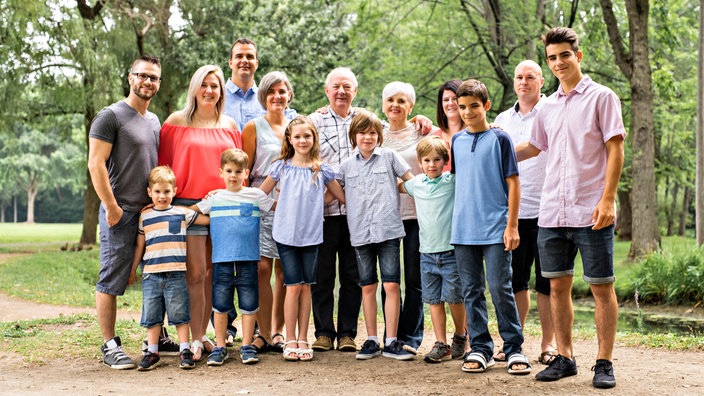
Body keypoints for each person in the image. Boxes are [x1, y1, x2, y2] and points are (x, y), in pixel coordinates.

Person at [516, 27, 625, 389]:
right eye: (552, 57)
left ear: (578, 56)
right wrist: (489, 146)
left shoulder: (602, 97)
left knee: (601, 288)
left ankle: (604, 362)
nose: (559, 62)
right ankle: (565, 357)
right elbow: (534, 148)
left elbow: (615, 149)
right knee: (557, 288)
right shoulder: (546, 106)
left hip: (590, 211)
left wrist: (608, 198)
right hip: (551, 213)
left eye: (565, 55)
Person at [158, 64, 241, 361]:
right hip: (187, 206)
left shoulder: (230, 125)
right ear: (195, 87)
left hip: (222, 206)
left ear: (221, 91)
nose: (209, 90)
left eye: (215, 85)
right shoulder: (176, 122)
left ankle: (204, 334)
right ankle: (193, 338)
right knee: (193, 273)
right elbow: (163, 167)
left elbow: (238, 167)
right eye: (204, 84)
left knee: (212, 273)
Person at [452, 79, 531, 375]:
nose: (468, 111)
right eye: (462, 107)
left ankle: (513, 348)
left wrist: (512, 226)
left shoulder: (501, 139)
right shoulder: (457, 141)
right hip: (463, 230)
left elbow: (513, 182)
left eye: (474, 106)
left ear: (486, 106)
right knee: (471, 290)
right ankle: (481, 348)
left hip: (497, 227)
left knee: (500, 287)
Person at [88, 55, 162, 370]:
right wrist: (111, 207)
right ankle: (109, 344)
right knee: (112, 279)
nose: (148, 82)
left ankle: (155, 339)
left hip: (148, 213)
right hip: (119, 214)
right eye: (143, 76)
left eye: (154, 78)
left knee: (157, 277)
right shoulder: (111, 116)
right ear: (130, 78)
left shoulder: (155, 121)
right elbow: (95, 163)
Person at [259, 116, 346, 361]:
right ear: (289, 139)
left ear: (313, 138)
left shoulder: (321, 168)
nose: (302, 140)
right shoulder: (281, 167)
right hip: (286, 234)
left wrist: (317, 204)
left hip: (312, 235)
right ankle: (289, 339)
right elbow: (260, 194)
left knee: (307, 286)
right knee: (293, 286)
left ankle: (303, 337)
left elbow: (339, 196)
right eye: (297, 136)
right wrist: (279, 205)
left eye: (307, 136)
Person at [337, 109, 415, 361]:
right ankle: (371, 340)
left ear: (379, 136)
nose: (367, 137)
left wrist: (421, 190)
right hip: (360, 233)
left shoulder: (390, 157)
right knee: (368, 286)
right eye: (362, 133)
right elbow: (332, 191)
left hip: (389, 231)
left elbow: (409, 180)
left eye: (372, 133)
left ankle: (391, 340)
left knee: (392, 284)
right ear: (354, 136)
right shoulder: (346, 166)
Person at [493, 60, 556, 365]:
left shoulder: (552, 111)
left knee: (547, 281)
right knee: (516, 280)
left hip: (548, 211)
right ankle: (513, 342)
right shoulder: (502, 118)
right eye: (519, 77)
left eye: (530, 77)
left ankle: (548, 344)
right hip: (514, 213)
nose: (523, 82)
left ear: (541, 81)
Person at [192, 149, 275, 366]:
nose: (233, 175)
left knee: (249, 303)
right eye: (228, 171)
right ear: (220, 172)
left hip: (248, 259)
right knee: (220, 304)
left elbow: (279, 207)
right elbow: (191, 212)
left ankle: (247, 345)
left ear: (246, 173)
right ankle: (220, 346)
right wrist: (162, 209)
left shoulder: (255, 195)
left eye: (238, 171)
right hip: (221, 259)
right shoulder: (215, 198)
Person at [128, 166, 210, 371]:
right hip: (151, 275)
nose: (162, 196)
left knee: (180, 313)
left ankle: (184, 350)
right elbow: (140, 245)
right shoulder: (144, 217)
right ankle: (152, 352)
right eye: (157, 192)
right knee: (152, 316)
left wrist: (216, 200)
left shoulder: (182, 214)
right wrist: (132, 271)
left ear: (175, 191)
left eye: (166, 191)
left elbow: (209, 220)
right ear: (149, 193)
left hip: (175, 273)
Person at [308, 67, 363, 353]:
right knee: (323, 274)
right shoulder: (313, 121)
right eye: (336, 86)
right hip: (325, 212)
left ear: (355, 90)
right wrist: (332, 195)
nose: (341, 91)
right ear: (327, 91)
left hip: (357, 214)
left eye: (347, 86)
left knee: (353, 276)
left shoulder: (365, 120)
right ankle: (323, 333)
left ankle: (347, 334)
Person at [398, 136, 466, 363]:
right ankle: (441, 343)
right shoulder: (416, 183)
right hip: (426, 254)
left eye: (437, 159)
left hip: (450, 252)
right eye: (426, 160)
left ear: (445, 161)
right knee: (434, 300)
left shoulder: (452, 181)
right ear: (419, 162)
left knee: (455, 298)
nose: (432, 164)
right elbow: (399, 185)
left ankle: (460, 335)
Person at [241, 71, 293, 354]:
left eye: (282, 91)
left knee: (285, 270)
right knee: (261, 268)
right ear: (263, 97)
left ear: (289, 96)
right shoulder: (253, 127)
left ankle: (278, 331)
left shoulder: (296, 126)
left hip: (290, 205)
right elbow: (245, 173)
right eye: (271, 92)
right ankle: (261, 332)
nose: (277, 96)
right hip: (261, 203)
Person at [380, 81, 425, 353]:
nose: (395, 105)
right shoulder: (376, 134)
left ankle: (411, 337)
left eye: (401, 100)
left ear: (411, 106)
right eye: (390, 100)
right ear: (383, 105)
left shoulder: (422, 132)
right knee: (390, 280)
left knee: (415, 278)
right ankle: (390, 335)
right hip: (385, 217)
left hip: (417, 215)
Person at [224, 38, 297, 131]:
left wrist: (320, 112)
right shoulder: (217, 97)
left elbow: (294, 120)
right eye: (239, 56)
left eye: (250, 56)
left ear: (256, 63)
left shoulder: (268, 99)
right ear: (230, 63)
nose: (244, 60)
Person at [433, 80, 465, 172]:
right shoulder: (434, 138)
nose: (450, 103)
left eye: (455, 98)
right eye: (446, 100)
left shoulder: (475, 133)